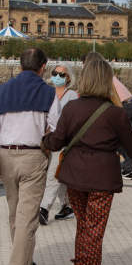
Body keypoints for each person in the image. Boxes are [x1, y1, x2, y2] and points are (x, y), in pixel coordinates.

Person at [41, 53, 132, 265]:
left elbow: (57, 140)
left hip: (75, 177)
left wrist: (43, 140)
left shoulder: (72, 107)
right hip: (102, 179)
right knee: (95, 229)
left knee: (83, 225)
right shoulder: (116, 114)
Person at [0, 47, 57, 265]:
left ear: (20, 64)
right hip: (33, 155)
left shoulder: (3, 90)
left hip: (6, 156)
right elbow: (55, 126)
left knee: (15, 213)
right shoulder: (48, 92)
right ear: (43, 67)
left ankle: (23, 261)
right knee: (27, 216)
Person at [38, 63, 78, 225]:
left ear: (68, 78)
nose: (57, 77)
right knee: (56, 173)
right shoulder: (47, 93)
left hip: (63, 142)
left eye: (62, 75)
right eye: (55, 73)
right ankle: (66, 206)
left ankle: (44, 208)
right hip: (46, 140)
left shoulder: (72, 96)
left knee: (53, 174)